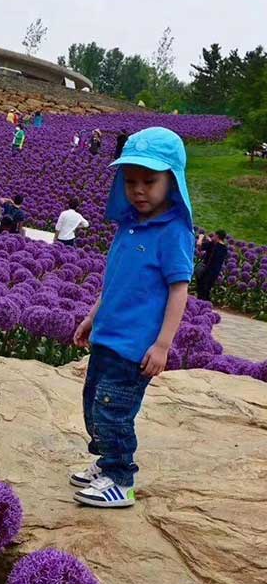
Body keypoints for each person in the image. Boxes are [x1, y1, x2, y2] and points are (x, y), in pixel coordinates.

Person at [71, 127, 195, 509]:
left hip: (135, 348)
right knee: (94, 404)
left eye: (149, 181)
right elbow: (115, 282)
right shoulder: (128, 225)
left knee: (115, 411)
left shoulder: (174, 232)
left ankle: (121, 480)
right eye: (130, 181)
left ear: (172, 181)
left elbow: (179, 291)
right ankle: (106, 464)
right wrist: (92, 317)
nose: (138, 189)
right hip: (108, 336)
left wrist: (162, 345)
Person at [195, 230, 228, 301]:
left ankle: (200, 306)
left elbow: (199, 246)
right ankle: (205, 307)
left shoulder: (212, 244)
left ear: (217, 236)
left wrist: (200, 237)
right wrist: (210, 241)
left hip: (206, 271)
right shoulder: (224, 248)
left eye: (214, 235)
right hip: (215, 273)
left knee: (201, 290)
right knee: (207, 290)